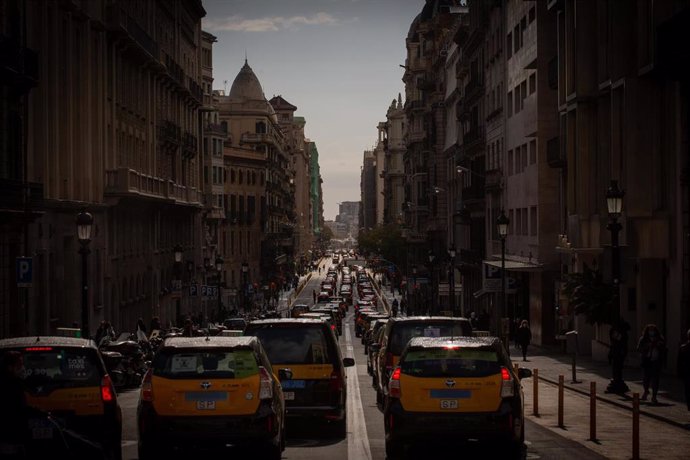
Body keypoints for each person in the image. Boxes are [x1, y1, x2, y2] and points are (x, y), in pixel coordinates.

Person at [0, 351, 30, 458]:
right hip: (9, 436)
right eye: (19, 365)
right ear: (10, 367)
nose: (22, 368)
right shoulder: (11, 385)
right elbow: (17, 408)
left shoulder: (16, 383)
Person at [637, 323, 666, 404]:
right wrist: (647, 346)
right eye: (650, 330)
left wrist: (659, 345)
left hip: (656, 361)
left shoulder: (660, 338)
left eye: (653, 330)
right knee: (646, 378)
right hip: (647, 361)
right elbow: (639, 348)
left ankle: (654, 396)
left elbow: (664, 348)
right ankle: (646, 391)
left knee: (655, 379)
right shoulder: (643, 339)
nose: (651, 332)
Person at [607, 319, 630, 394]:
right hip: (616, 352)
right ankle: (616, 380)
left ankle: (617, 381)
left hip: (619, 352)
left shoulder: (621, 333)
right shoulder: (617, 332)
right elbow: (613, 342)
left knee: (618, 367)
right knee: (616, 367)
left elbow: (618, 341)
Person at [678, 328, 690, 413]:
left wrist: (680, 373)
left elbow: (679, 363)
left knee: (688, 392)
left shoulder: (683, 347)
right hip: (687, 373)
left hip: (687, 373)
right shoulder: (684, 348)